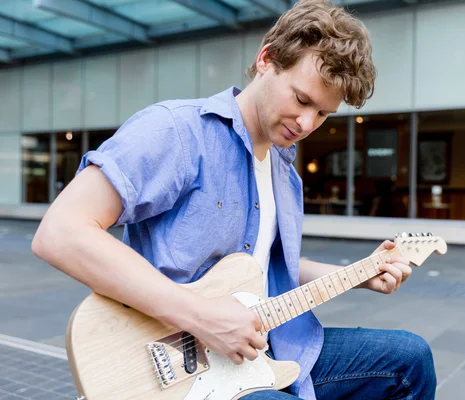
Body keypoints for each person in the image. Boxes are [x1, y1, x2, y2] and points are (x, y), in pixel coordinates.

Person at [32, 0, 436, 398]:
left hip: (264, 349)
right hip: (175, 366)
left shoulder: (283, 172)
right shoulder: (178, 131)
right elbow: (60, 232)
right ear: (267, 59)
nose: (307, 124)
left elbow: (263, 270)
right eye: (301, 100)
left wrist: (359, 273)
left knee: (409, 359)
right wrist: (200, 316)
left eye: (324, 114)